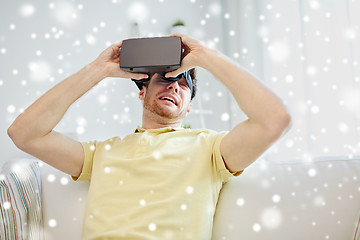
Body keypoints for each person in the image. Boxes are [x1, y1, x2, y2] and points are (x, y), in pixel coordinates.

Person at [8, 33, 292, 239]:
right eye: (165, 78)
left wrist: (204, 56)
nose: (174, 86)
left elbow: (275, 120)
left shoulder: (210, 148)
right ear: (141, 91)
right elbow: (23, 133)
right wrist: (98, 70)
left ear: (189, 106)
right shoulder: (101, 153)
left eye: (184, 83)